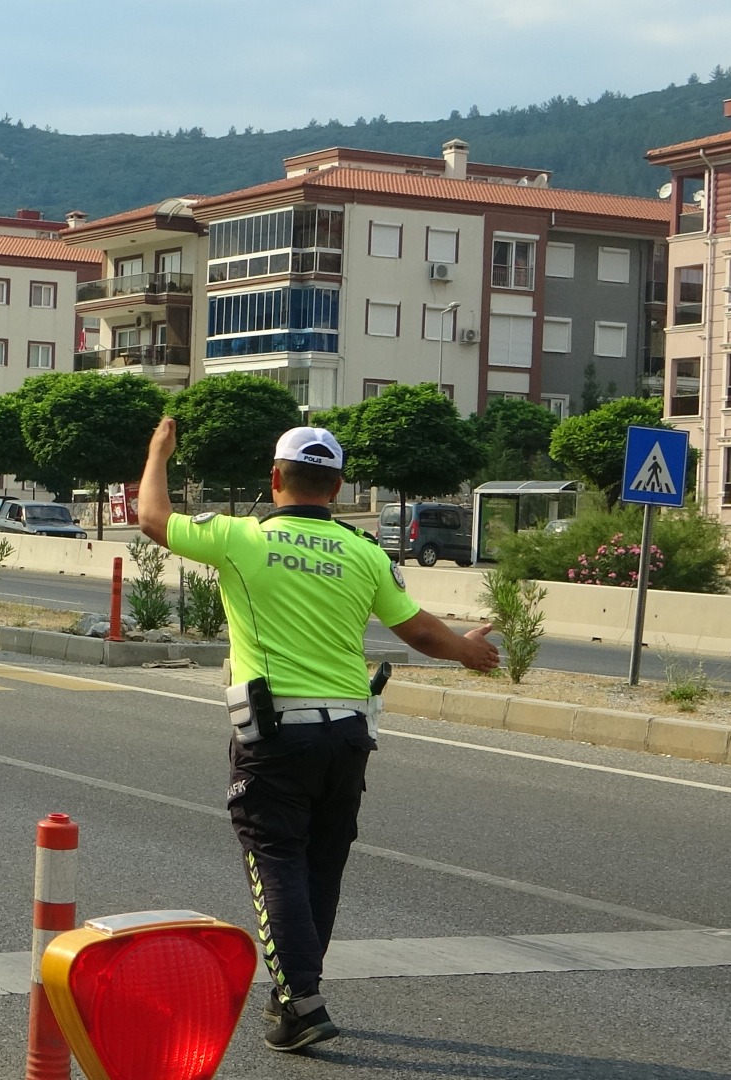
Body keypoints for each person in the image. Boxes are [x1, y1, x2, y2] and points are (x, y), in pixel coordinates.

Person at [137, 419, 499, 1053]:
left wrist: (158, 453)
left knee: (274, 858)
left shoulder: (240, 538)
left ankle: (302, 1002)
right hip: (349, 737)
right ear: (335, 487)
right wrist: (465, 652)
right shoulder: (366, 554)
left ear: (275, 479)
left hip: (276, 737)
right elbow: (417, 631)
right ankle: (293, 997)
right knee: (318, 868)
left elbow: (152, 517)